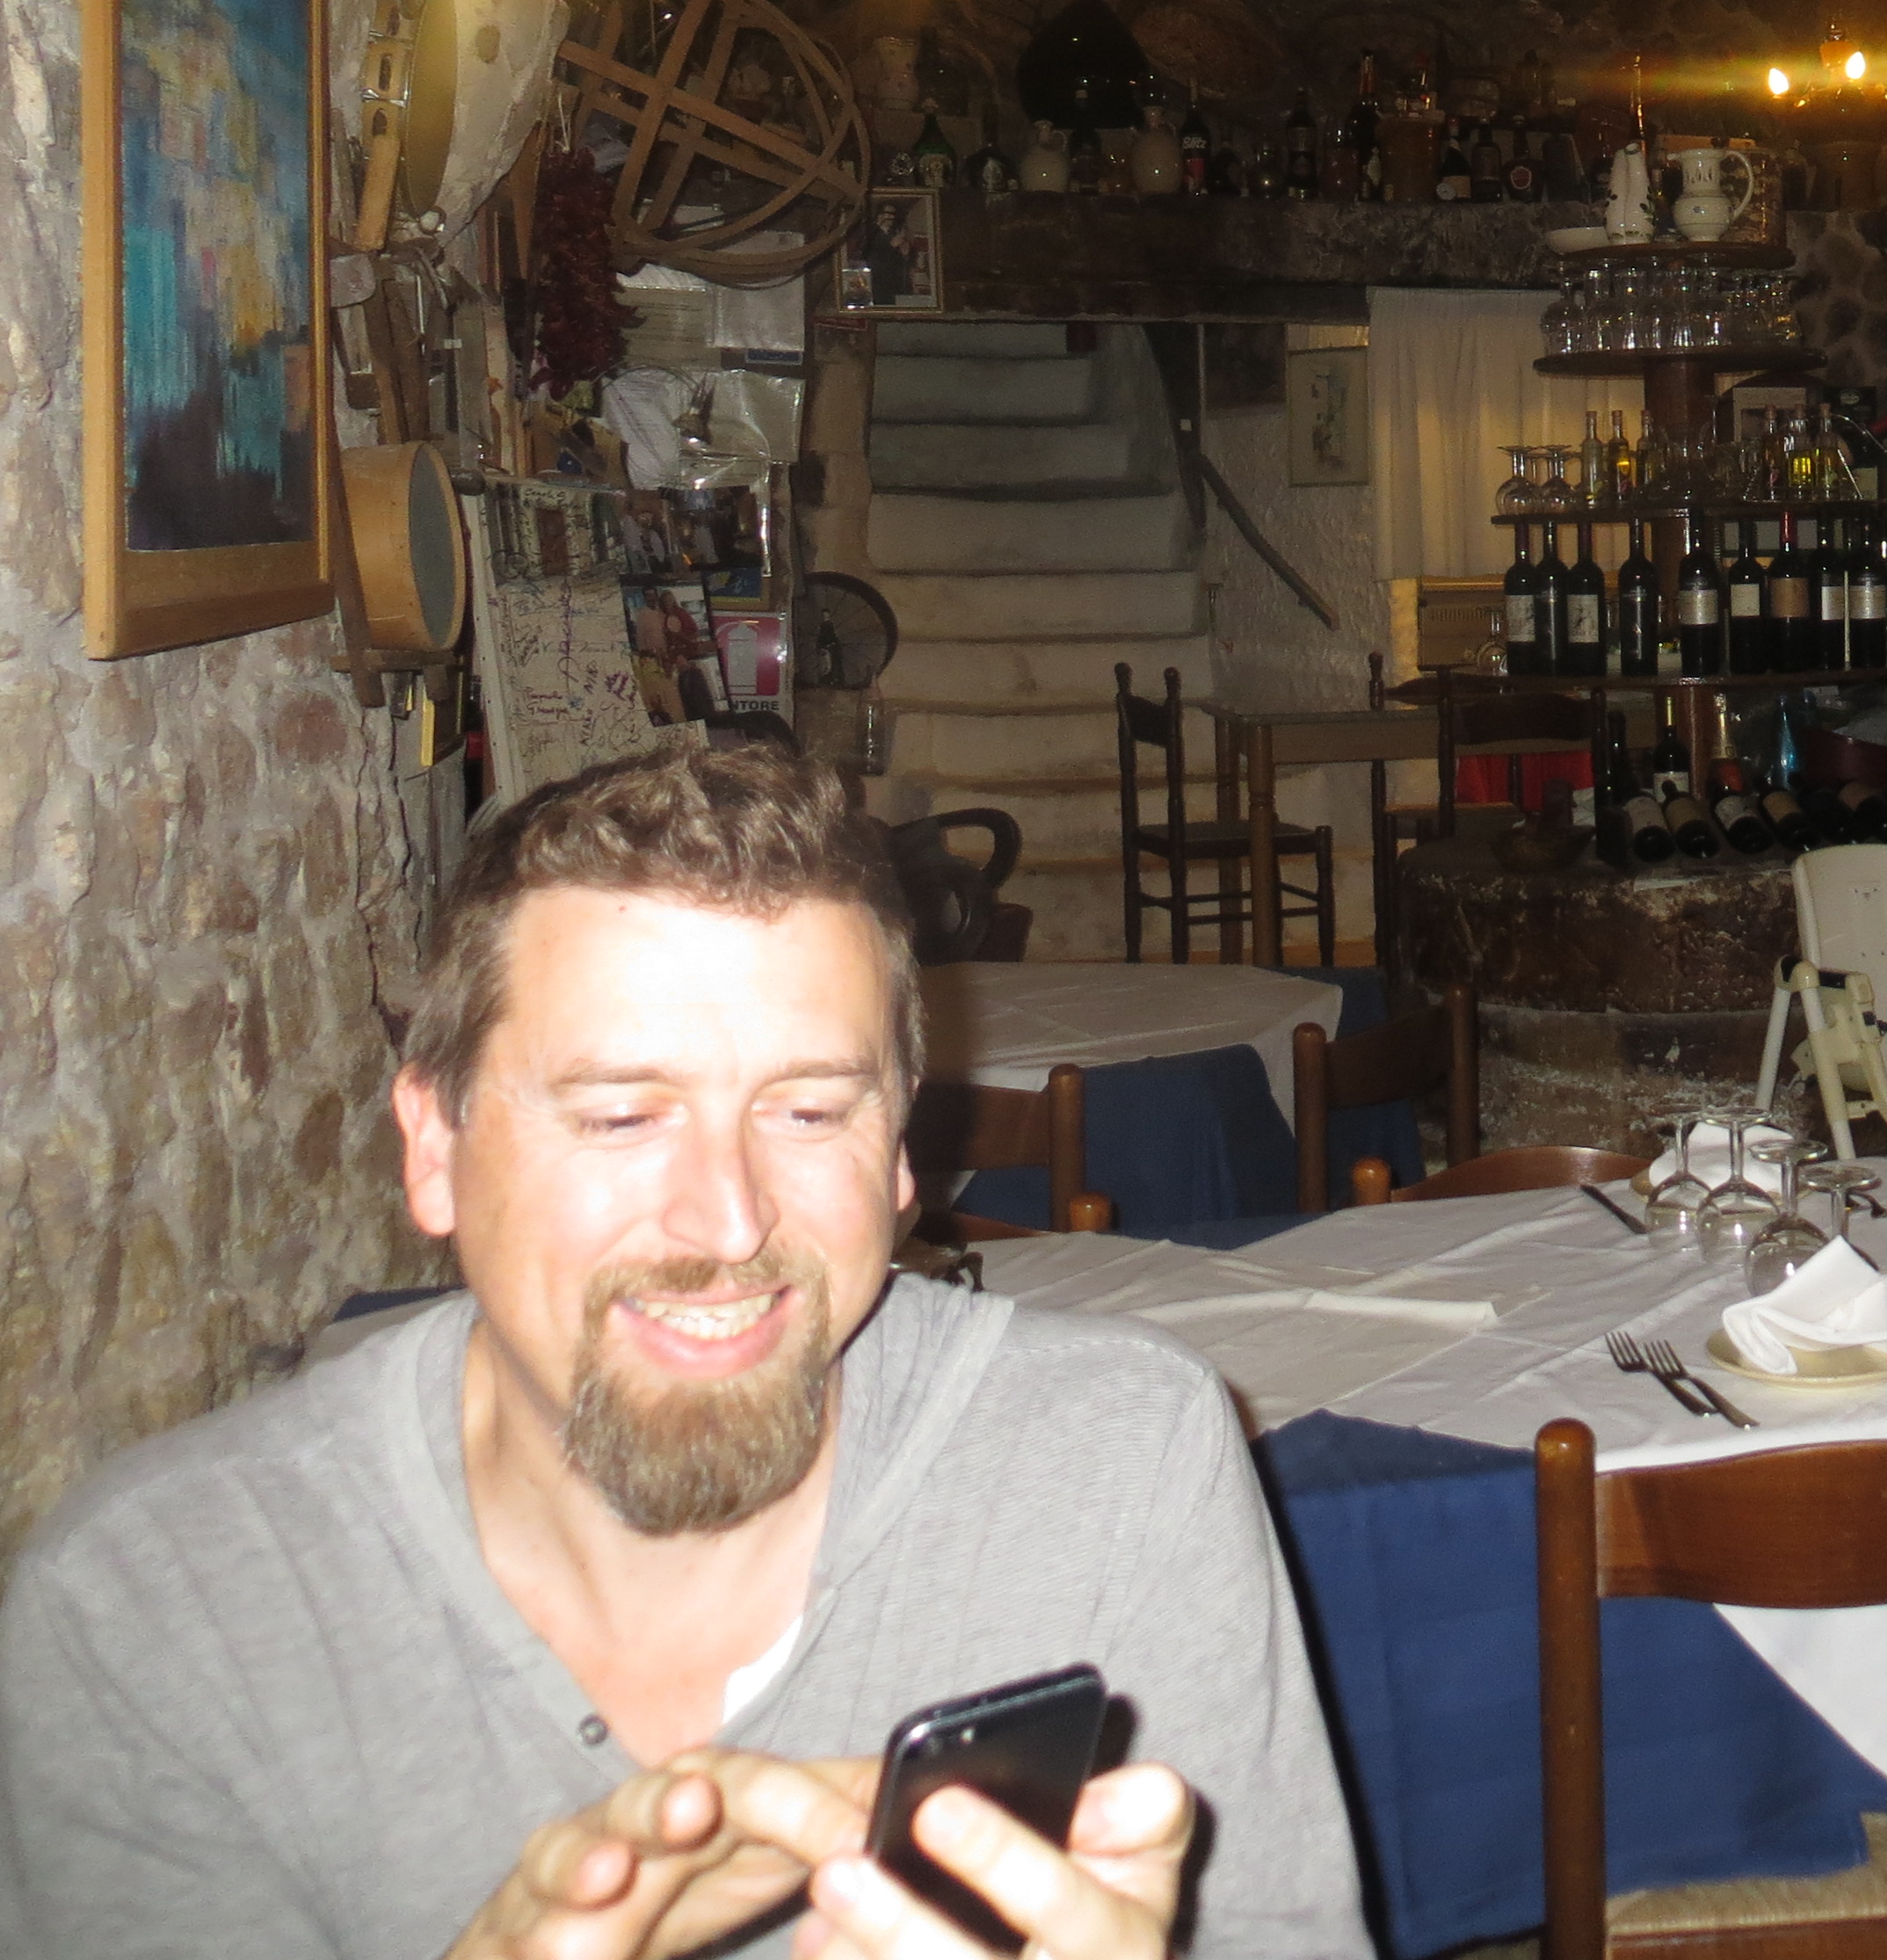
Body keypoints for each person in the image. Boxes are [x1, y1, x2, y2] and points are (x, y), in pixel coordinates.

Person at [0, 742, 1369, 1960]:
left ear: (902, 1154)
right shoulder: (155, 1607)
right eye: (620, 1117)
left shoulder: (1125, 1467)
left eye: (809, 1112)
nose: (727, 1220)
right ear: (433, 1148)